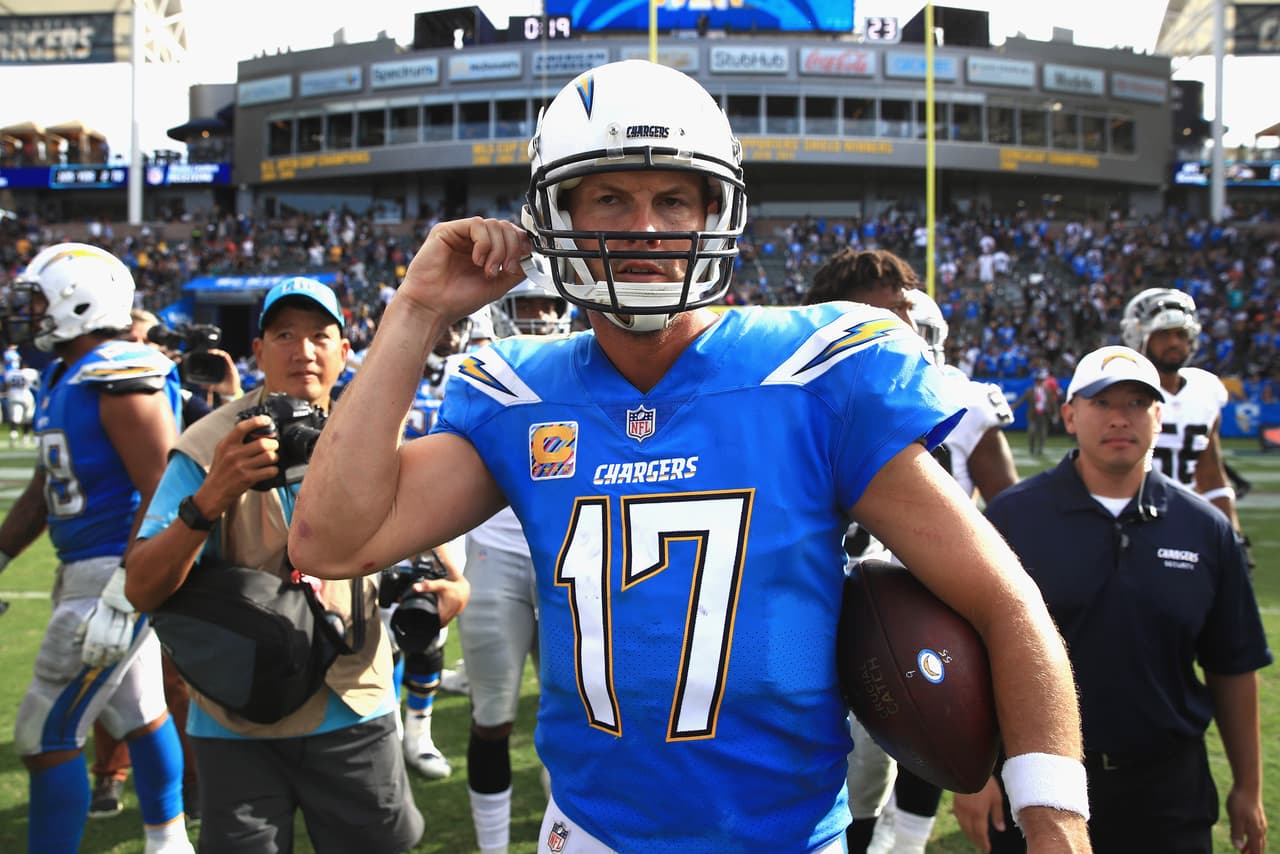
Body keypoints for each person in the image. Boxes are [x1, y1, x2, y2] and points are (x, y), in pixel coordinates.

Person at [290, 60, 1089, 852]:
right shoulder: (521, 394)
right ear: (555, 216)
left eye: (672, 198)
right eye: (611, 197)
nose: (643, 227)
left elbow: (1005, 600)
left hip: (786, 839)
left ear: (715, 212)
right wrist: (416, 309)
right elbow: (331, 540)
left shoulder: (812, 374)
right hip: (593, 833)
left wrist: (1054, 820)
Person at [124, 277, 437, 852]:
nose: (303, 350)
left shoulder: (372, 431)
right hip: (236, 710)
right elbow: (142, 586)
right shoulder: (212, 443)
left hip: (353, 701)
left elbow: (440, 566)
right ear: (259, 350)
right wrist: (211, 496)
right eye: (285, 334)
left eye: (320, 335)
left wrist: (446, 589)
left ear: (347, 352)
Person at [953, 345, 1271, 854]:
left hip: (1167, 788)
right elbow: (969, 654)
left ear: (1160, 417)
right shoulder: (1012, 519)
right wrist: (973, 776)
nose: (1120, 418)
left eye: (1137, 404)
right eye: (1102, 403)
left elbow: (1233, 665)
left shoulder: (1206, 529)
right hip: (1036, 780)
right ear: (1070, 415)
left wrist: (1248, 787)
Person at [804, 252, 1019, 854]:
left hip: (914, 603)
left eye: (907, 308)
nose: (906, 322)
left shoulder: (962, 395)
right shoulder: (799, 397)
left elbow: (1011, 510)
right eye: (889, 310)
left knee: (905, 752)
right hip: (813, 600)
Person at [0, 243, 192, 854]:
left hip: (113, 571)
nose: (29, 311)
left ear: (77, 299)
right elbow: (43, 488)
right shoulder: (67, 374)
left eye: (38, 299)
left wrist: (124, 587)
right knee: (139, 710)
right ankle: (169, 842)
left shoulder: (120, 375)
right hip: (88, 565)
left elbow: (167, 492)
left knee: (43, 735)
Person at [459, 279, 569, 854]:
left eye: (548, 306)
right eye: (527, 307)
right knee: (492, 716)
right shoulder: (479, 374)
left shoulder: (587, 370)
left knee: (574, 720)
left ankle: (573, 837)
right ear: (504, 313)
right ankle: (493, 847)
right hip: (494, 555)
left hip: (569, 561)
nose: (540, 318)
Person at [1120, 288, 1244, 530]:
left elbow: (1210, 473)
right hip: (1129, 518)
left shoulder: (1206, 389)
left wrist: (1232, 533)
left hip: (1186, 518)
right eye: (1163, 335)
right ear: (1139, 336)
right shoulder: (1121, 390)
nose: (1174, 343)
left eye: (1180, 334)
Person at [1011, 368, 1058, 458]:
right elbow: (1021, 400)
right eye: (1038, 381)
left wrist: (1056, 413)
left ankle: (1040, 449)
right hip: (1033, 414)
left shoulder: (1047, 390)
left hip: (1044, 414)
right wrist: (1014, 406)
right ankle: (1032, 448)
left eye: (1041, 381)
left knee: (1043, 433)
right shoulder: (1030, 391)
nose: (1039, 382)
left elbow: (1053, 402)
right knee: (1031, 432)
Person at [2, 344, 39, 447]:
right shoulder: (30, 372)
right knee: (28, 417)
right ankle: (25, 438)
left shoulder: (10, 373)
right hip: (26, 395)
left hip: (13, 395)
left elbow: (6, 385)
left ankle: (13, 436)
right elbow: (38, 384)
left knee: (15, 419)